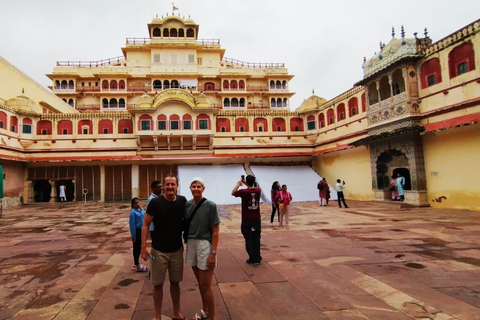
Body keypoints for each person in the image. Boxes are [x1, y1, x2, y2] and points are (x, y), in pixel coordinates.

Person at [141, 174, 187, 320]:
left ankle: (176, 311)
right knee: (157, 284)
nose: (170, 187)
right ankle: (157, 315)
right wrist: (143, 247)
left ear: (177, 186)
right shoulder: (155, 203)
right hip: (158, 250)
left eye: (172, 184)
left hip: (176, 250)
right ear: (163, 187)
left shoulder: (182, 201)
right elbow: (145, 225)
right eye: (167, 184)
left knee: (175, 283)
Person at [185, 177, 220, 320]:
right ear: (190, 188)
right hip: (191, 243)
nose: (196, 189)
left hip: (205, 244)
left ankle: (212, 317)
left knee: (206, 284)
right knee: (200, 282)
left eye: (199, 186)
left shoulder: (210, 205)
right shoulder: (187, 205)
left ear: (203, 189)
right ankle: (205, 311)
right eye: (194, 186)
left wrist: (213, 252)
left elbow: (216, 231)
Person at [231, 175, 262, 266]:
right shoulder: (258, 190)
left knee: (248, 239)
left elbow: (233, 192)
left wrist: (238, 184)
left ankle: (252, 258)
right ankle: (257, 257)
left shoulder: (243, 192)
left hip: (247, 219)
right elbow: (252, 187)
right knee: (256, 238)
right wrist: (246, 183)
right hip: (256, 219)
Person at [129, 197, 148, 272]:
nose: (137, 204)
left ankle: (137, 263)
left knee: (141, 246)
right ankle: (136, 264)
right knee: (136, 248)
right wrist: (133, 236)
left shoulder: (142, 210)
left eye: (138, 202)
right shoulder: (133, 213)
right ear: (133, 204)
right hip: (137, 231)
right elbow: (132, 225)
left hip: (142, 230)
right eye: (135, 203)